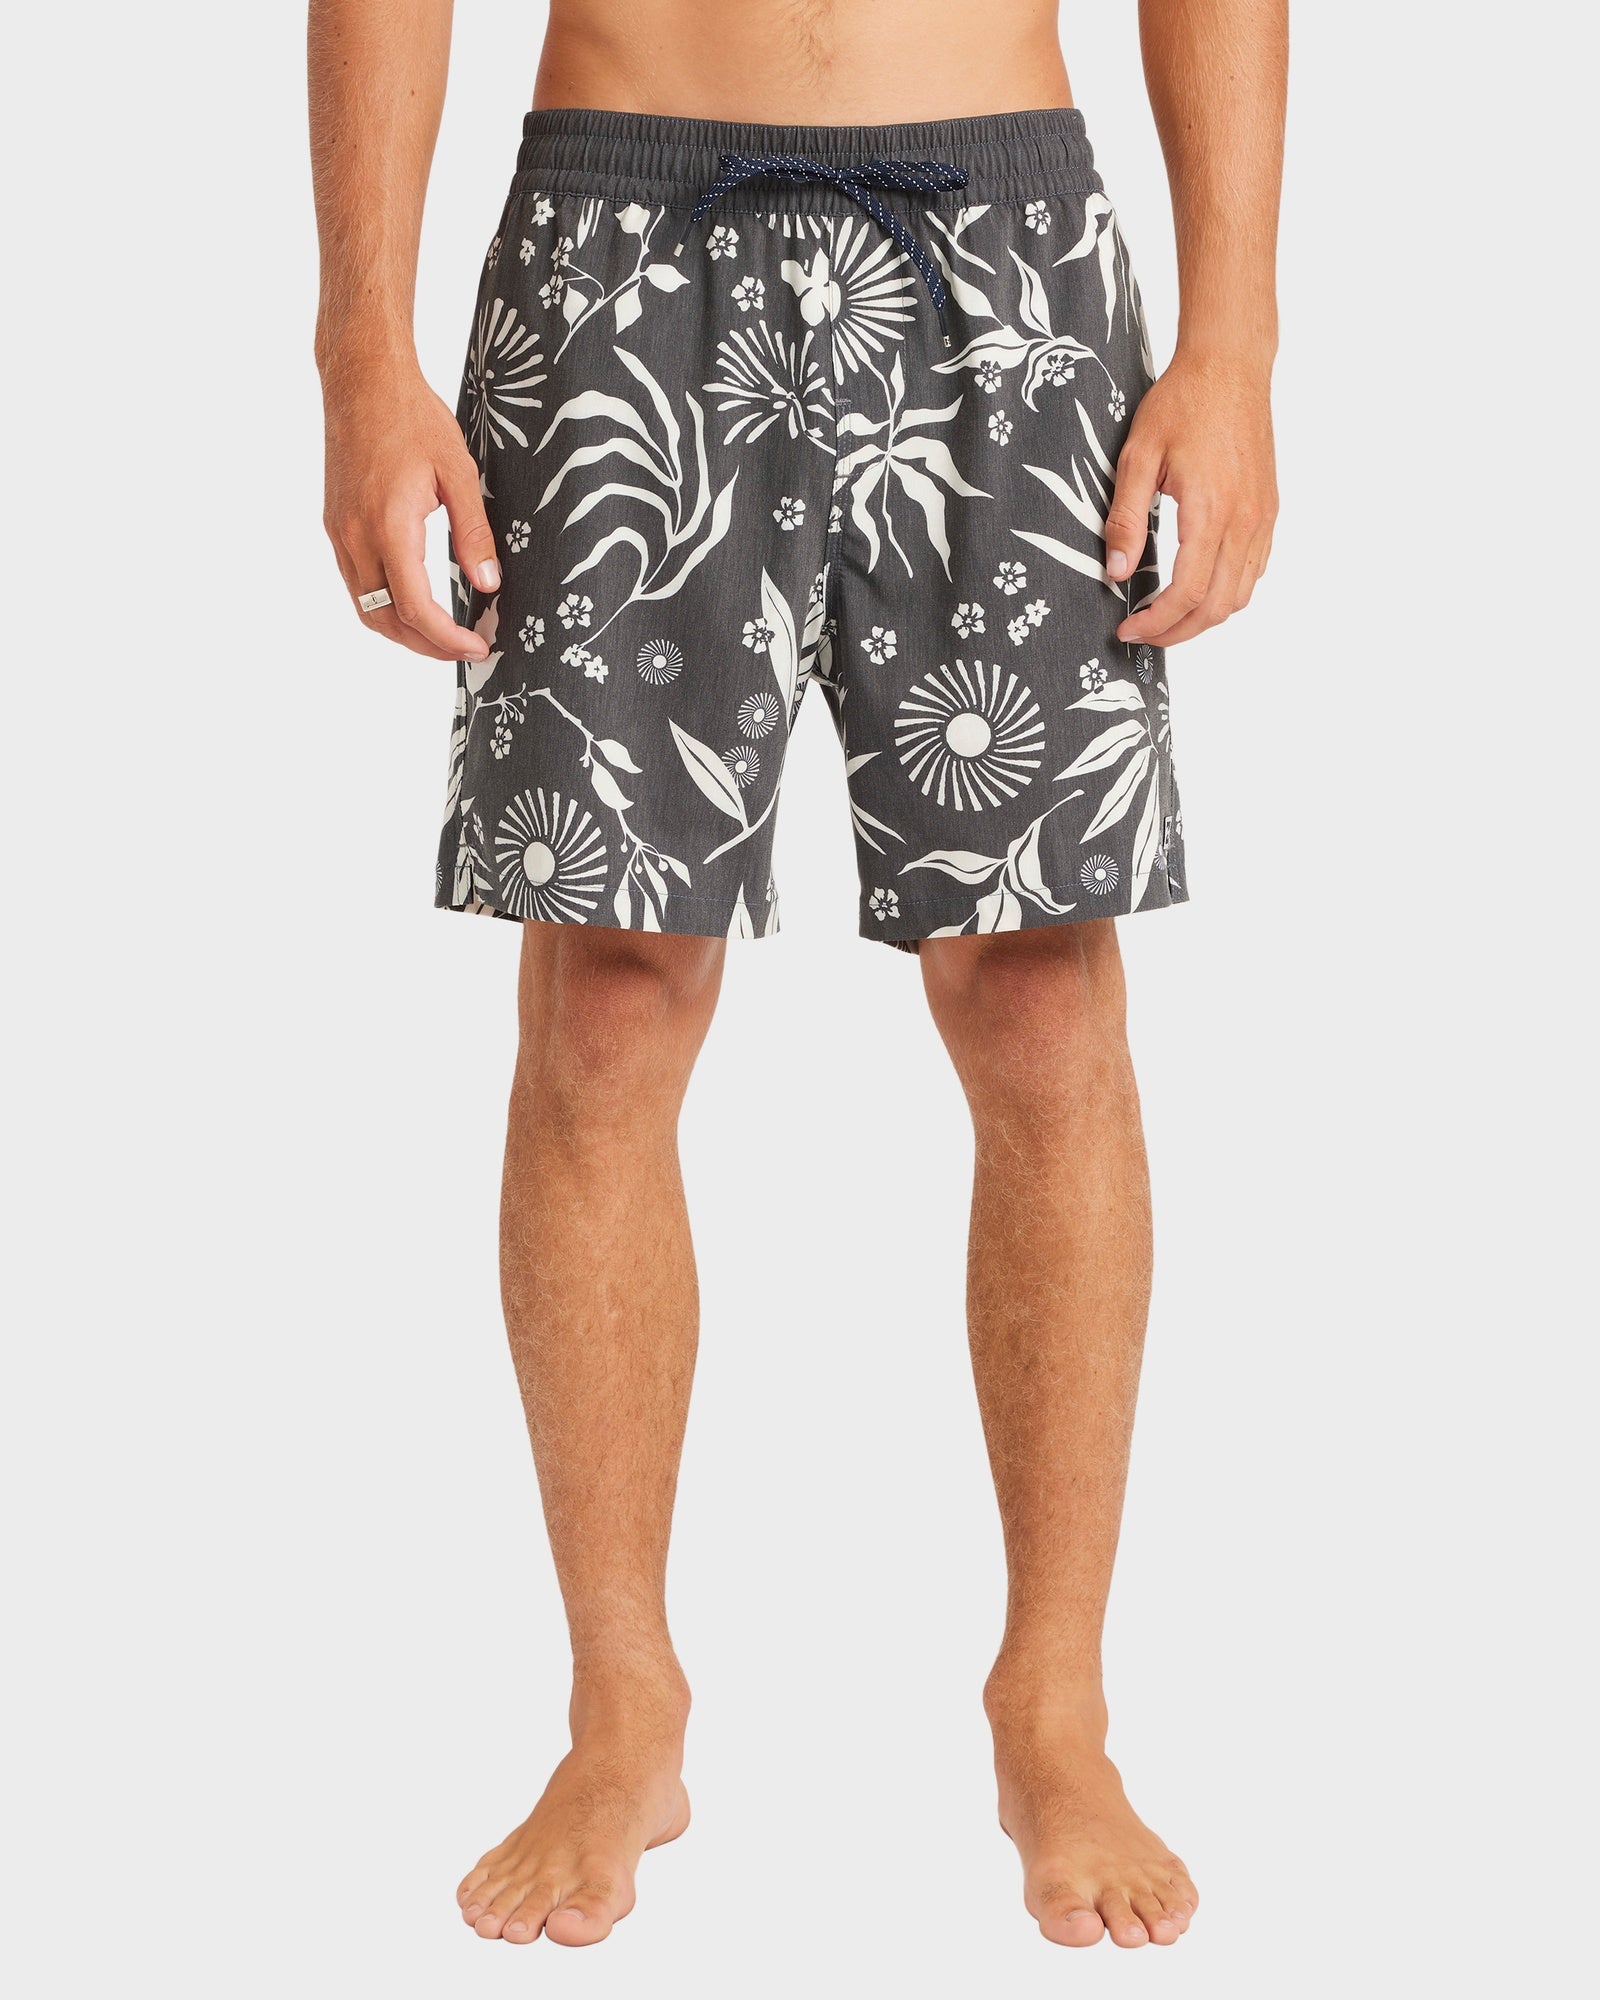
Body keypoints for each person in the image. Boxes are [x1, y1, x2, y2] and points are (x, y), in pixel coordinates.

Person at [309, 0, 1284, 1952]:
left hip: (1003, 248)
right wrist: (360, 352)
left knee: (1038, 990)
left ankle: (1053, 1708)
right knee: (605, 996)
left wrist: (1234, 341)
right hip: (620, 244)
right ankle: (621, 1708)